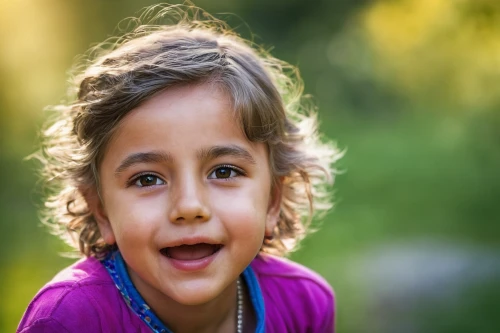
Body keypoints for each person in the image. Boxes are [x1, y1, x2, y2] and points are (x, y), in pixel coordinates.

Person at [18, 4, 341, 333]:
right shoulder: (69, 319)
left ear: (273, 200)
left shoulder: (305, 305)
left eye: (224, 172)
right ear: (100, 210)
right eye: (147, 179)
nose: (189, 207)